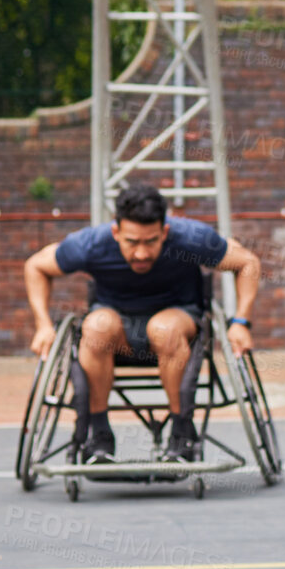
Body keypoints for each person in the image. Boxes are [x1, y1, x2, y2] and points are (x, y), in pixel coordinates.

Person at [24, 183, 261, 463]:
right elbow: (36, 266)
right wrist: (43, 325)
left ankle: (181, 431)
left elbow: (247, 262)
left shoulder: (190, 238)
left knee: (163, 329)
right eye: (132, 242)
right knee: (95, 325)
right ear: (116, 232)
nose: (141, 253)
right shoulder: (92, 244)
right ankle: (98, 434)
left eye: (150, 242)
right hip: (117, 332)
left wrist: (241, 321)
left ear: (165, 232)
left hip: (176, 323)